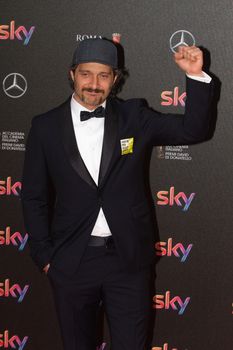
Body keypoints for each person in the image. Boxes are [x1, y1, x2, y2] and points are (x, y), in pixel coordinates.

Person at [21, 38, 213, 350]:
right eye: (86, 74)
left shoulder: (134, 117)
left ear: (115, 78)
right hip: (71, 262)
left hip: (128, 261)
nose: (94, 84)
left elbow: (193, 130)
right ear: (72, 74)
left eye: (104, 75)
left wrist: (194, 75)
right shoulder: (45, 127)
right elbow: (33, 197)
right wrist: (45, 257)